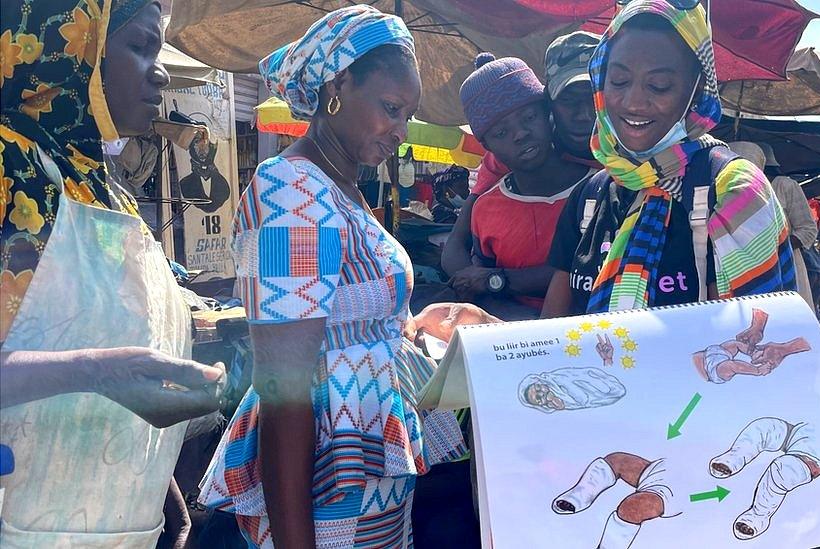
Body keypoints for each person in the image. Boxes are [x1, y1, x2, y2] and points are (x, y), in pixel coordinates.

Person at [196, 7, 465, 547]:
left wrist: (411, 325)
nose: (401, 130)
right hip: (326, 479)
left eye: (407, 114)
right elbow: (284, 389)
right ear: (338, 85)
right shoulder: (291, 190)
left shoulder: (340, 186)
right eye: (391, 109)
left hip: (368, 475)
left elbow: (348, 321)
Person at [0, 0, 225, 545]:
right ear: (72, 47)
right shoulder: (9, 167)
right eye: (140, 45)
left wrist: (163, 490)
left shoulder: (103, 190)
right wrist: (98, 371)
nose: (163, 69)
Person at [541, 0, 795, 318]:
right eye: (618, 81)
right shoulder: (590, 195)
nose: (633, 102)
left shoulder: (732, 190)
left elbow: (754, 344)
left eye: (658, 86)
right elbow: (551, 334)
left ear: (696, 89)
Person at [441, 31, 601, 278]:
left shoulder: (626, 164)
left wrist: (499, 281)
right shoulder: (509, 163)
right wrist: (476, 287)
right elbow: (458, 241)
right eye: (569, 101)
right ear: (550, 105)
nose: (585, 115)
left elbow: (582, 273)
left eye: (595, 99)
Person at [729, 141, 818, 310]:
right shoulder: (730, 193)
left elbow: (808, 229)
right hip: (744, 267)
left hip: (785, 265)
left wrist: (775, 249)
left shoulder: (784, 186)